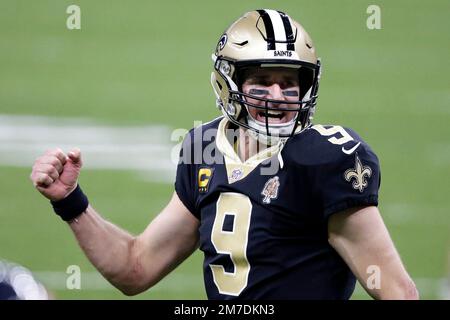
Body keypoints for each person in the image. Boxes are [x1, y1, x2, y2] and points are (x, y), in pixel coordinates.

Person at [30, 9, 418, 299]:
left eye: (289, 83)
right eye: (262, 82)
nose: (278, 96)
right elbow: (136, 267)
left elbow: (398, 293)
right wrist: (71, 202)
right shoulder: (204, 150)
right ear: (228, 83)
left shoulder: (326, 159)